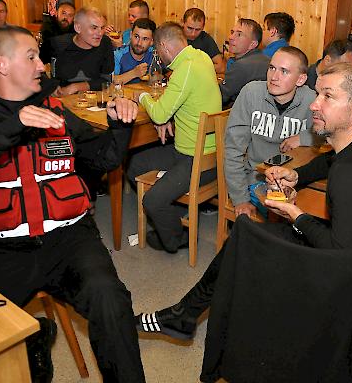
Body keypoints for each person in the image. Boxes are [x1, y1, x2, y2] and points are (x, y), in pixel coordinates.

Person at [0, 26, 145, 383]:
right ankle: (32, 346)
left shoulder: (55, 109)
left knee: (111, 300)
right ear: (2, 64)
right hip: (6, 249)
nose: (43, 65)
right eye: (32, 57)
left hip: (71, 240)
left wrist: (119, 125)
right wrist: (6, 129)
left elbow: (103, 160)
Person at [136, 62, 352, 340]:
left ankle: (198, 320)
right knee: (247, 234)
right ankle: (184, 316)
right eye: (317, 94)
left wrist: (296, 215)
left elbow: (341, 255)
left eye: (328, 96)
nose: (315, 105)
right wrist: (297, 175)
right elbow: (330, 161)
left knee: (249, 245)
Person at [127, 22, 222, 253]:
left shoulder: (184, 70)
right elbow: (185, 102)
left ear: (162, 46)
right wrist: (170, 115)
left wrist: (141, 98)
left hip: (196, 160)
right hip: (203, 152)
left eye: (157, 51)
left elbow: (159, 114)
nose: (158, 56)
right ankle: (174, 211)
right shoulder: (201, 58)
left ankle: (175, 239)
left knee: (152, 201)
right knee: (134, 165)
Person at [226, 46, 316, 219]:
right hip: (257, 180)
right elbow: (232, 150)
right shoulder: (251, 93)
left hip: (296, 182)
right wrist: (240, 199)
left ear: (301, 79)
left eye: (284, 71)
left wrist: (303, 137)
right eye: (272, 68)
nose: (274, 77)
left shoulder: (311, 100)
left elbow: (329, 136)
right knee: (283, 219)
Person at [51, 7, 114, 96]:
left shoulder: (105, 43)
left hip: (94, 100)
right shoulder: (57, 44)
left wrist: (76, 87)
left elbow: (107, 80)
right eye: (94, 28)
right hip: (62, 98)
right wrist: (51, 86)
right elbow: (37, 71)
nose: (100, 33)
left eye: (102, 27)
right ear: (78, 28)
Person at [220, 18, 269, 107]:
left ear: (252, 44)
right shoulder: (267, 60)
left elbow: (220, 97)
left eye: (239, 34)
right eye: (232, 32)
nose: (231, 37)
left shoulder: (240, 66)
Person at [113, 18, 156, 85]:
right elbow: (111, 82)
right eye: (136, 37)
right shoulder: (118, 55)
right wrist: (134, 73)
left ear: (152, 41)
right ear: (130, 35)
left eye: (145, 39)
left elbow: (167, 73)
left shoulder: (154, 54)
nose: (139, 43)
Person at [182, 8, 225, 73]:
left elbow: (221, 67)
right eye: (190, 28)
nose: (193, 33)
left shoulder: (205, 39)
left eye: (198, 29)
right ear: (183, 23)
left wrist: (194, 69)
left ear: (203, 27)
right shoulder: (174, 37)